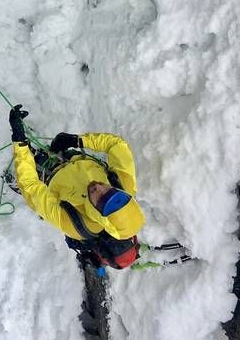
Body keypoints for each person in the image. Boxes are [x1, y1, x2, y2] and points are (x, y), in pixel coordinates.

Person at [8, 105, 146, 273]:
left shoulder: (75, 225)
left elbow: (31, 186)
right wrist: (77, 140)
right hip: (75, 161)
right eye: (109, 190)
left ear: (100, 216)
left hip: (51, 178)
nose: (98, 187)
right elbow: (116, 145)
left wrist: (20, 143)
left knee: (28, 172)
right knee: (45, 157)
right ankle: (39, 155)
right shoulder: (125, 186)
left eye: (99, 199)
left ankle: (27, 161)